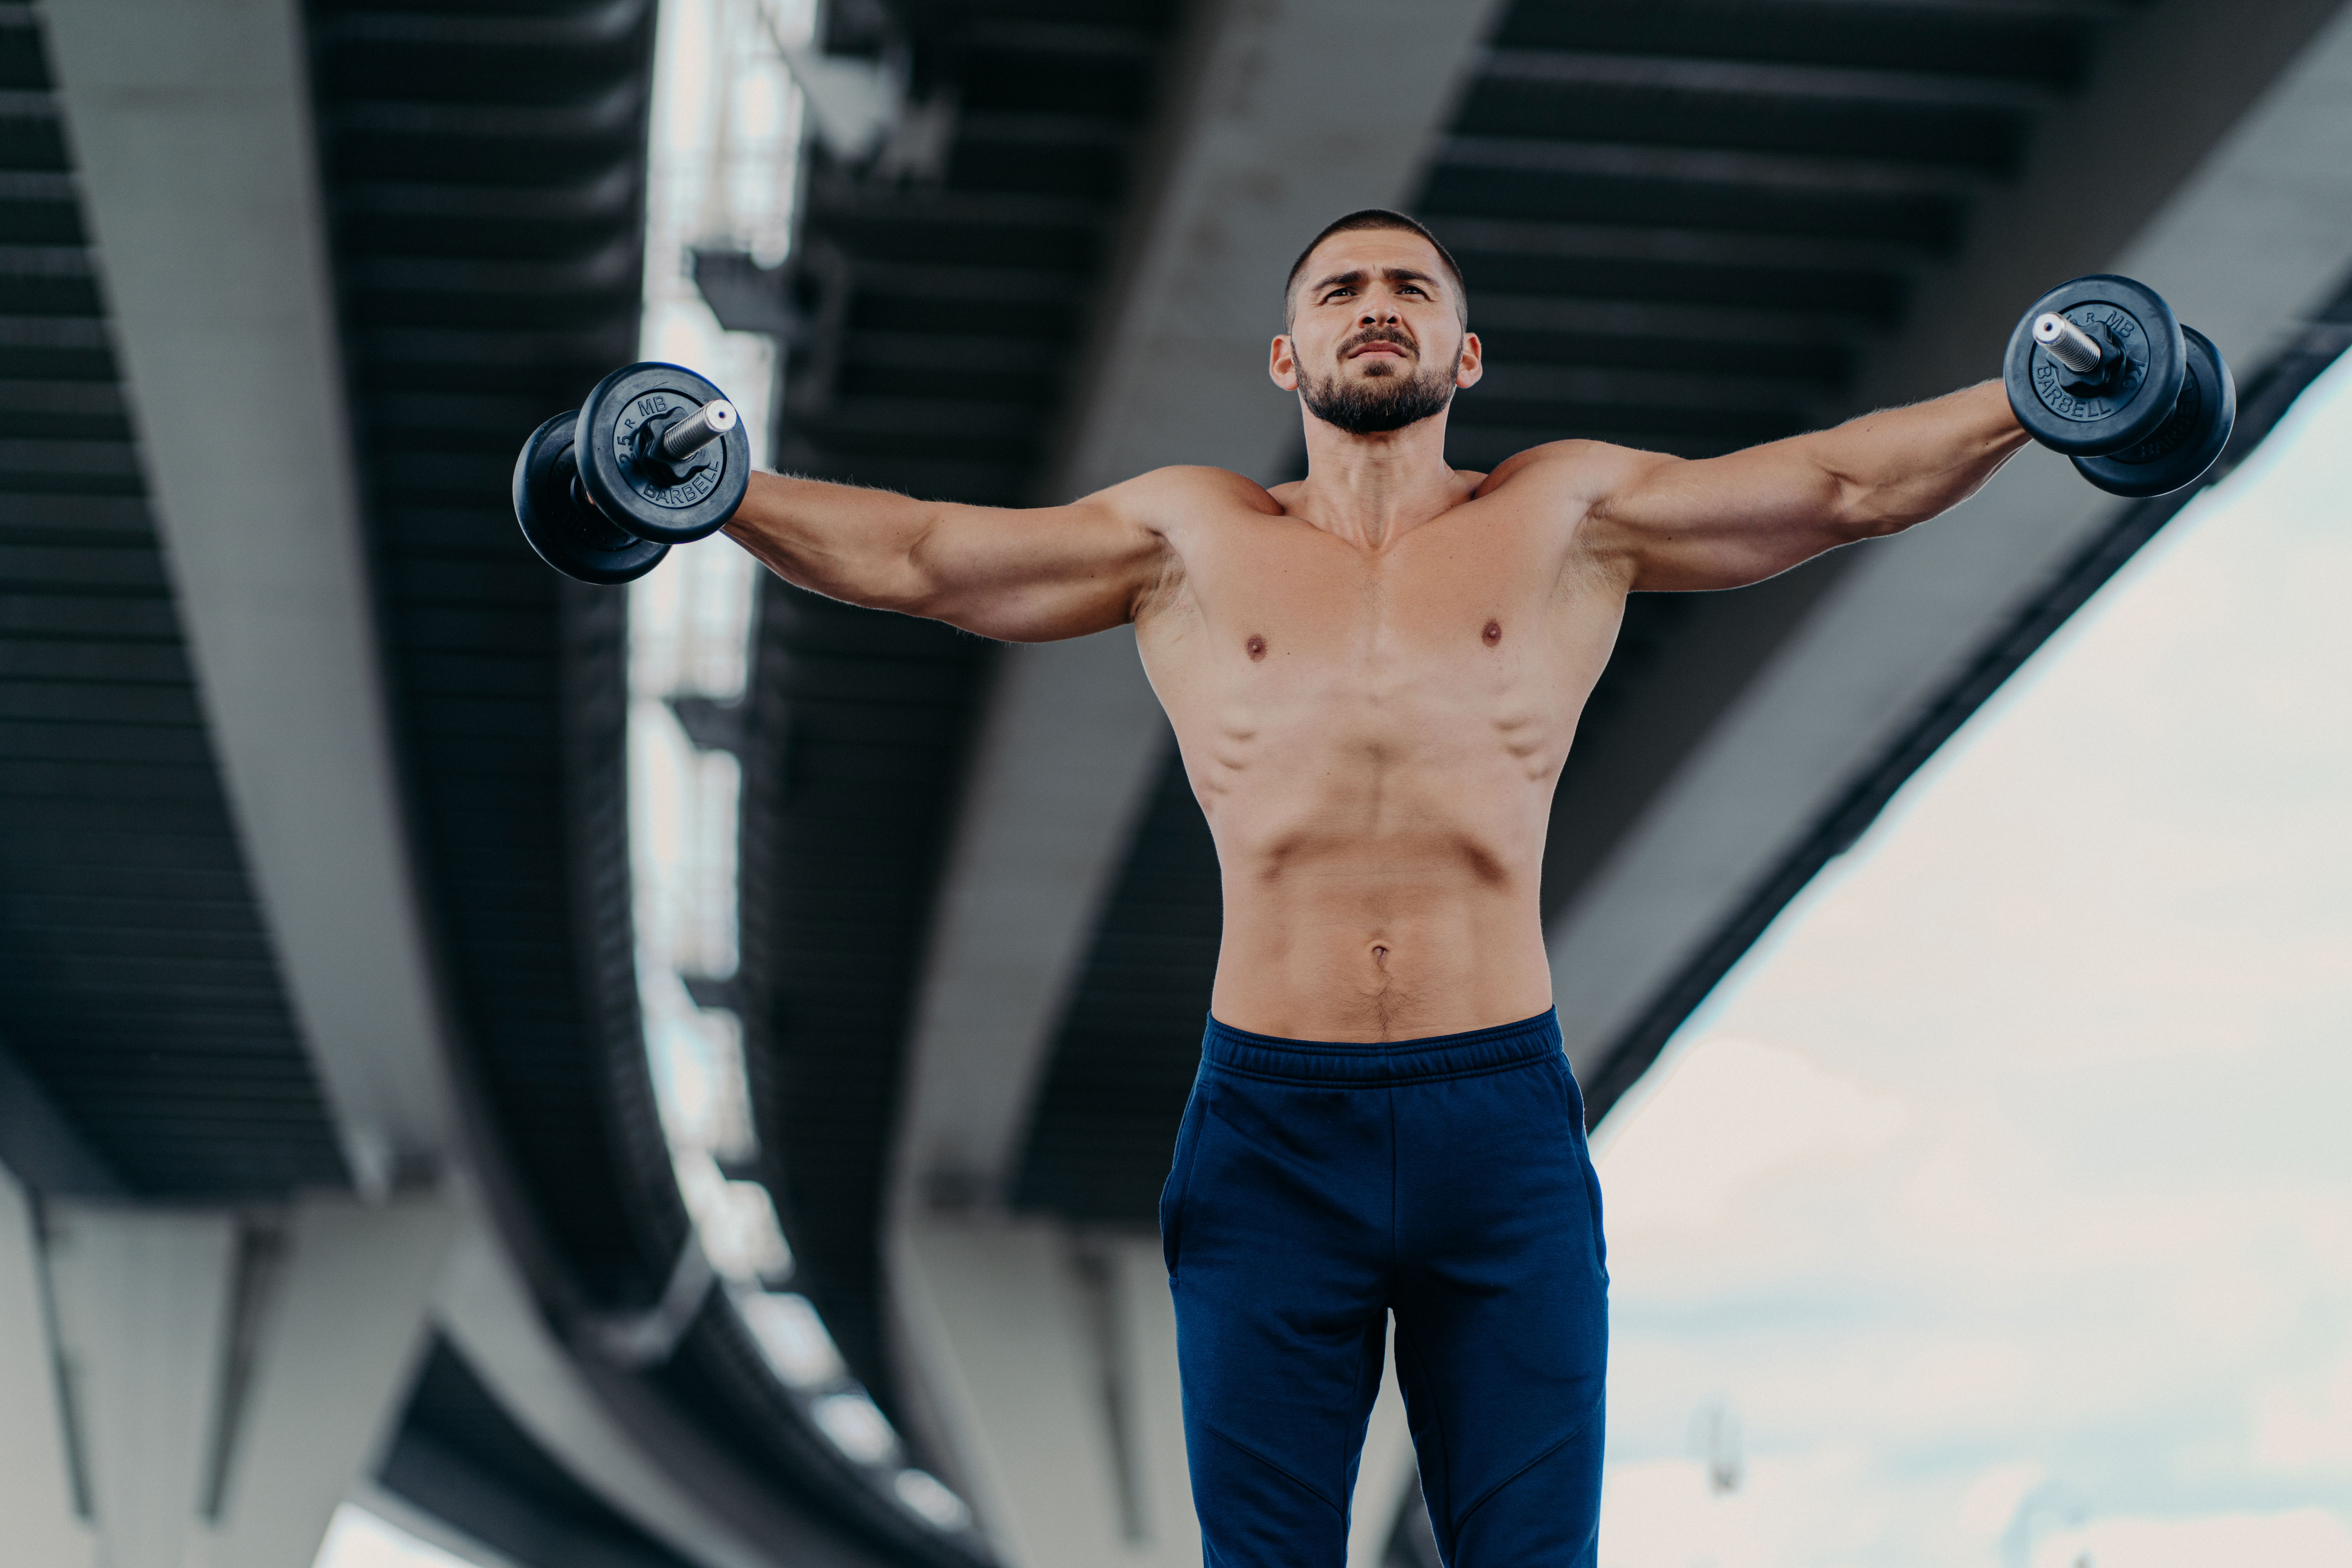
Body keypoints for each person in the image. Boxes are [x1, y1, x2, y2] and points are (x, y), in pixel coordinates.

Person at [720, 208, 2030, 1566]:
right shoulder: (1184, 534)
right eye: (1339, 289)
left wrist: (2030, 391)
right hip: (1270, 1140)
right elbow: (924, 557)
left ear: (1467, 357)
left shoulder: (1566, 514)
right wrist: (722, 492)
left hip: (1497, 1131)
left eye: (1412, 286)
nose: (1377, 302)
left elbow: (1834, 485)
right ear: (1286, 359)